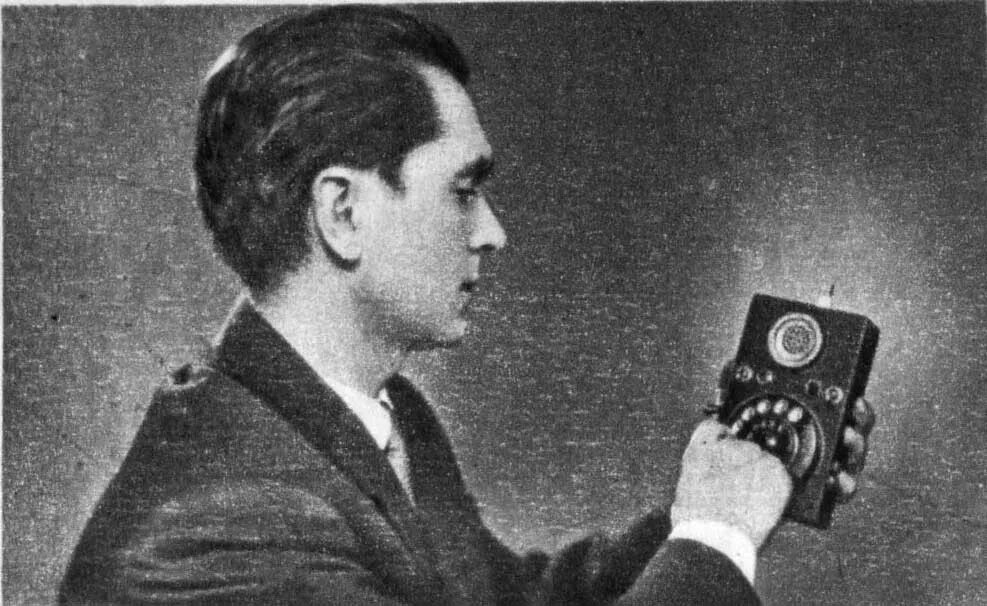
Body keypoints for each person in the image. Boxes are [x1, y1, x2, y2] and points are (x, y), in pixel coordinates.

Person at [59, 7, 873, 605]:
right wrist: (716, 535)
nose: (493, 232)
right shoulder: (218, 525)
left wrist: (722, 497)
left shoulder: (378, 420)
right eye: (462, 190)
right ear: (342, 212)